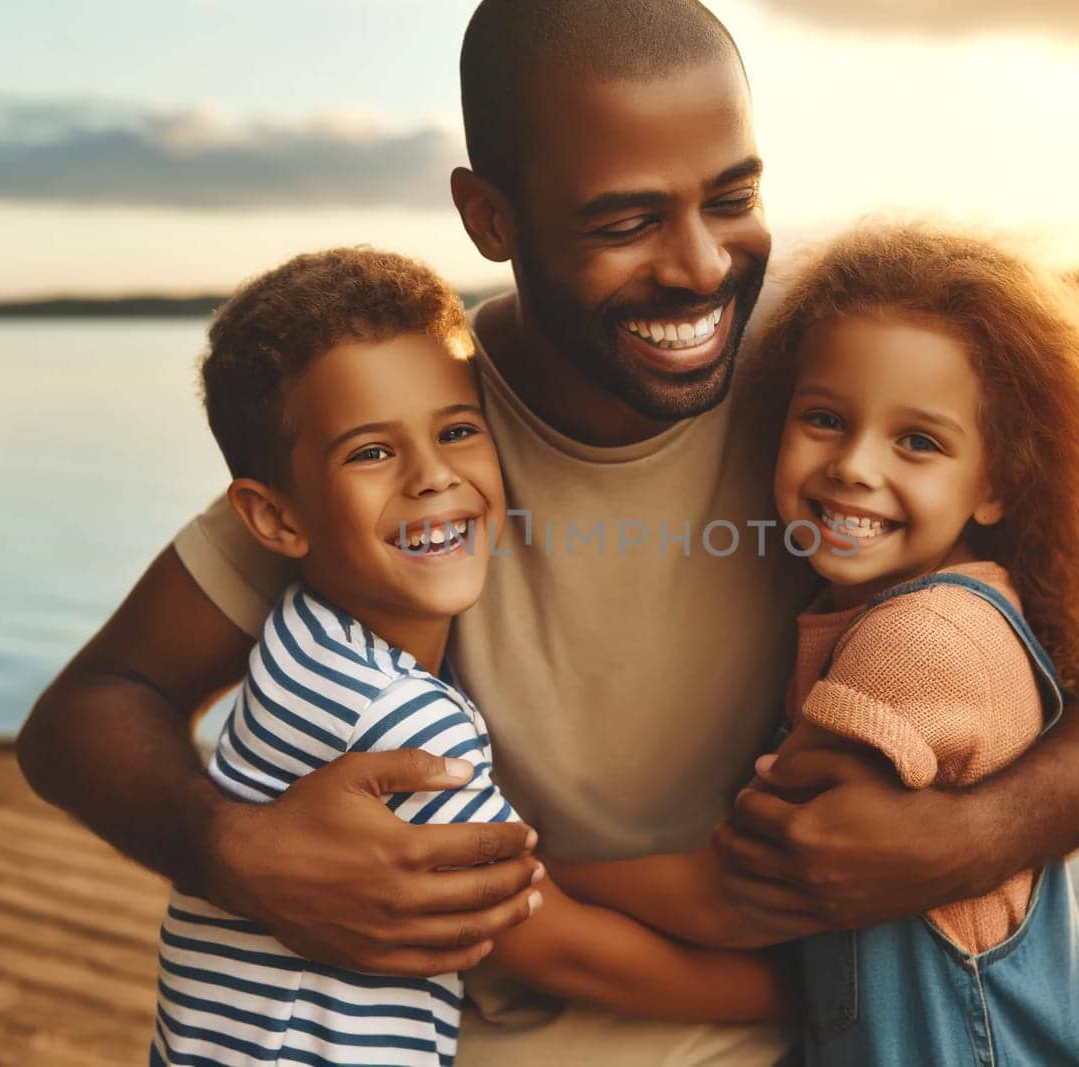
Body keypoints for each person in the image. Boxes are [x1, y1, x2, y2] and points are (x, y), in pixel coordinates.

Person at [18, 2, 1079, 1063]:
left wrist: (965, 839)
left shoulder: (822, 407)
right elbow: (93, 706)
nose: (702, 266)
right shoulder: (420, 440)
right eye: (624, 221)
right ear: (489, 214)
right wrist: (234, 849)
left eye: (736, 196)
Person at [550, 223, 1079, 1063]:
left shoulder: (924, 641)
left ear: (993, 483)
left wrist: (532, 877)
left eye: (917, 441)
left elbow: (735, 893)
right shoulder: (896, 606)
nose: (854, 465)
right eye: (825, 419)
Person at [151, 246, 783, 1066]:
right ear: (273, 519)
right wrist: (788, 995)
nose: (432, 478)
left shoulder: (303, 638)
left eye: (455, 431)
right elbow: (557, 945)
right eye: (371, 452)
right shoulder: (394, 718)